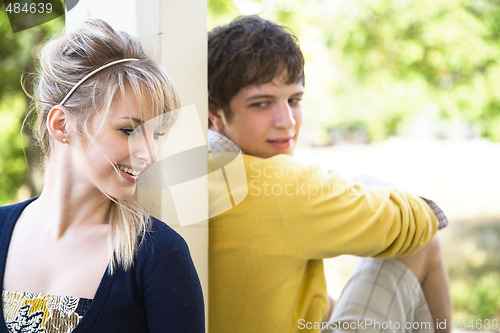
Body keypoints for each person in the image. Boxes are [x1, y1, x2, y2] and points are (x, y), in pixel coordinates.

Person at [207, 15, 450, 332]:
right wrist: (368, 186)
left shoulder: (193, 169)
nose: (287, 121)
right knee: (422, 243)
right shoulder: (284, 186)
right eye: (261, 103)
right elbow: (421, 221)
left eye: (294, 100)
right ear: (216, 115)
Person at [0, 19, 204, 332]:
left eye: (158, 134)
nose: (150, 154)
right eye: (129, 130)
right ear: (61, 125)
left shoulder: (159, 255)